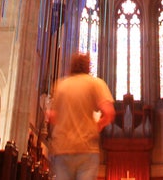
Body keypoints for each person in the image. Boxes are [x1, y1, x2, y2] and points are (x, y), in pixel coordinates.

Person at [46, 52, 115, 180]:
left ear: (71, 67)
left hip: (62, 149)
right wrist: (98, 125)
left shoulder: (61, 86)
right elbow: (109, 112)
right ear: (88, 67)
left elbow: (53, 117)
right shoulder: (96, 84)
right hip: (86, 148)